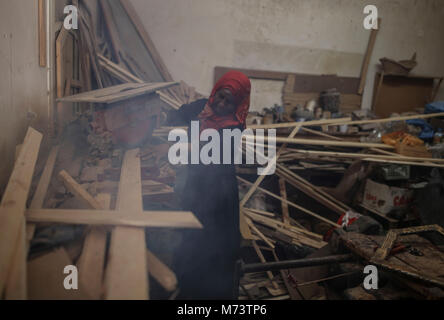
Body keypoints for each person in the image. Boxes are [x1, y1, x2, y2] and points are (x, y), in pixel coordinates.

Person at [167, 71, 251, 299]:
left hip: (219, 192)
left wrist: (193, 133)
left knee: (216, 247)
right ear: (215, 92)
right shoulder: (203, 106)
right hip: (194, 188)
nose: (221, 104)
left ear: (238, 103)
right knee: (190, 241)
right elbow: (174, 116)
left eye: (229, 101)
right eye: (220, 97)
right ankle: (187, 291)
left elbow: (208, 154)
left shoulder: (235, 125)